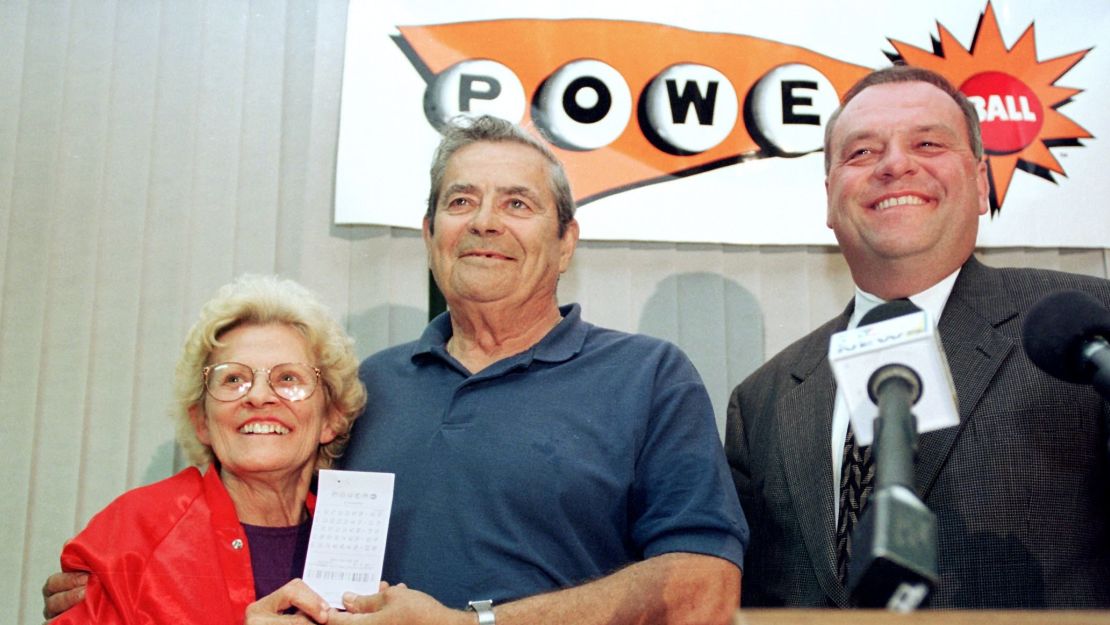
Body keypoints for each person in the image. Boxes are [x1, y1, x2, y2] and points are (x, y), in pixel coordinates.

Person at [46, 115, 748, 625]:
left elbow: (703, 590)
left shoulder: (649, 376)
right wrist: (119, 582)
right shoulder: (366, 388)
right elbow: (263, 513)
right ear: (429, 234)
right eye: (461, 201)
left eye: (518, 203)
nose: (484, 222)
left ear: (566, 241)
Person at [726, 64, 1110, 608]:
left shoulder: (1085, 331)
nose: (895, 165)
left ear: (980, 183)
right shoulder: (761, 400)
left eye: (927, 143)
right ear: (831, 195)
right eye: (861, 153)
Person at [48, 275, 367, 623]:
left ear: (330, 419)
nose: (258, 396)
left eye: (288, 378)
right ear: (201, 420)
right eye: (233, 379)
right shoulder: (131, 533)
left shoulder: (360, 541)